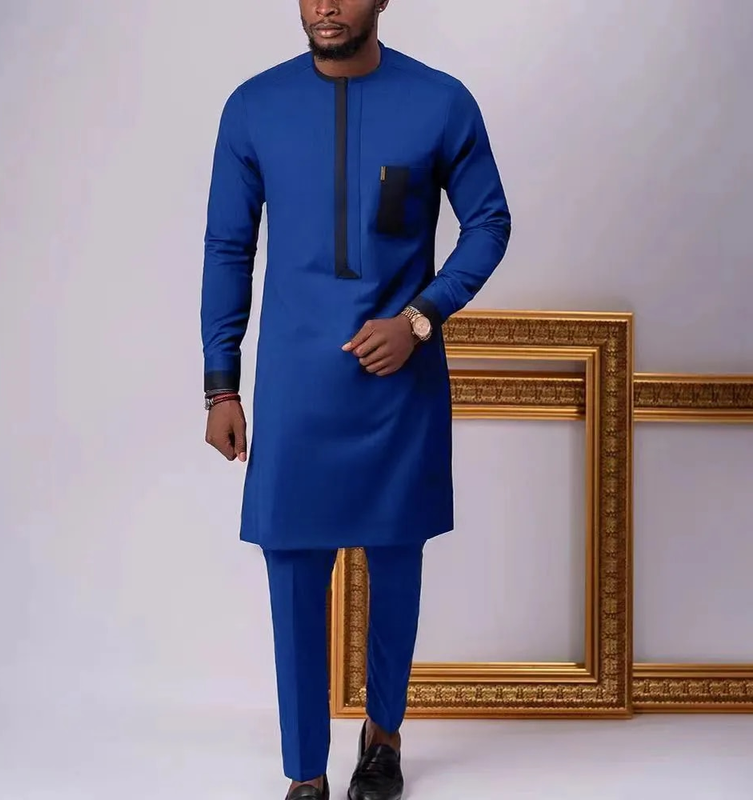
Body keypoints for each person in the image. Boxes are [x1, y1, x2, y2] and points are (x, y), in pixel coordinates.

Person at [200, 1, 511, 798]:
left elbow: (488, 222)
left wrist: (420, 318)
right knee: (293, 572)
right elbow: (229, 247)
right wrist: (221, 383)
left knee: (396, 563)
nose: (326, 4)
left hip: (398, 384)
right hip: (296, 389)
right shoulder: (254, 107)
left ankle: (384, 737)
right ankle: (305, 773)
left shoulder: (439, 102)